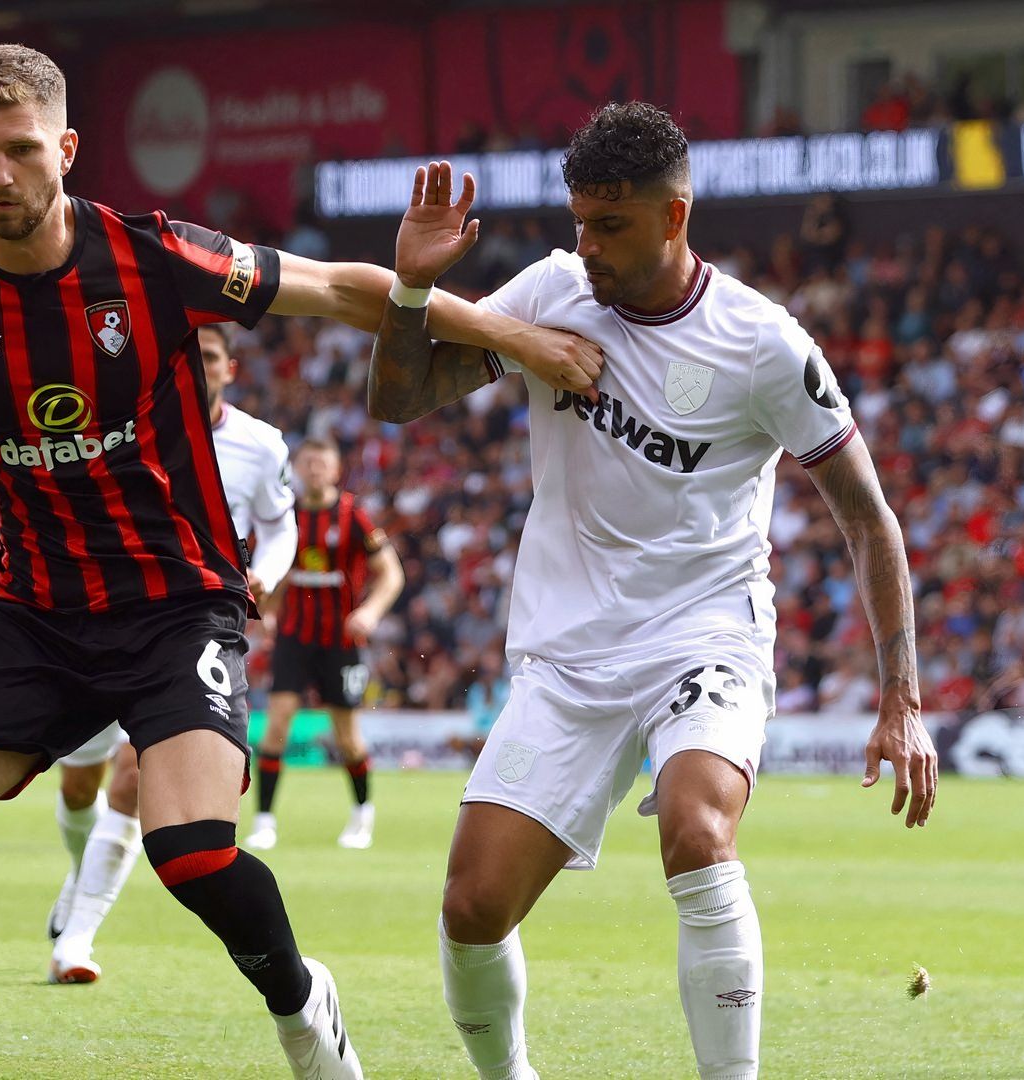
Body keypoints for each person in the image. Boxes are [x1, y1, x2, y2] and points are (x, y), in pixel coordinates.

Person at [0, 44, 599, 1080]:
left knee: (194, 854)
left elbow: (339, 289)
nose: (2, 176)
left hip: (175, 611)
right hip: (32, 615)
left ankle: (304, 1000)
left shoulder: (153, 258)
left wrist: (513, 338)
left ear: (67, 150)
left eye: (23, 151)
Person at [368, 103, 937, 1080]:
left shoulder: (763, 344)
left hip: (704, 632)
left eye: (611, 225)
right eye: (580, 222)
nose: (585, 246)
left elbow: (868, 516)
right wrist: (414, 291)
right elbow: (400, 399)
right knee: (472, 908)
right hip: (569, 650)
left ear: (675, 218)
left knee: (697, 832)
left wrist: (903, 699)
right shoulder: (551, 291)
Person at [45, 321, 298, 984]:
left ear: (229, 370)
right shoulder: (124, 429)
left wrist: (265, 574)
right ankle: (80, 874)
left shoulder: (260, 445)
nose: (198, 366)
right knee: (80, 786)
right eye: (186, 356)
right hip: (100, 623)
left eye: (210, 356)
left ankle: (76, 940)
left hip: (188, 631)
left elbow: (280, 524)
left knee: (134, 778)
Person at [245, 438, 404, 851]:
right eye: (308, 464)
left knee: (347, 737)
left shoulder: (354, 516)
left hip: (340, 641)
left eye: (323, 464)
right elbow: (277, 573)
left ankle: (362, 815)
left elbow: (391, 574)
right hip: (295, 638)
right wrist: (271, 611)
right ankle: (264, 822)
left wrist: (370, 612)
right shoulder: (285, 517)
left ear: (336, 471)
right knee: (276, 727)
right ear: (297, 469)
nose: (315, 471)